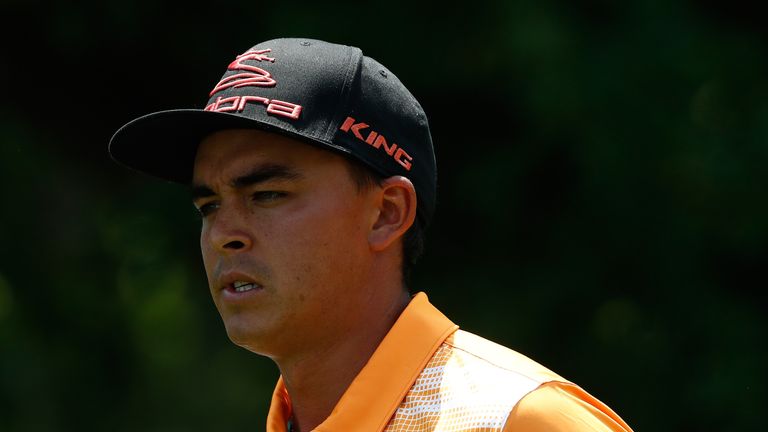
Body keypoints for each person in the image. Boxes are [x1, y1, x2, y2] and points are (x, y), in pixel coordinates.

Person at [109, 38, 633, 432]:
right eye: (208, 205)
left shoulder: (521, 420)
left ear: (386, 213)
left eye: (266, 194)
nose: (223, 233)